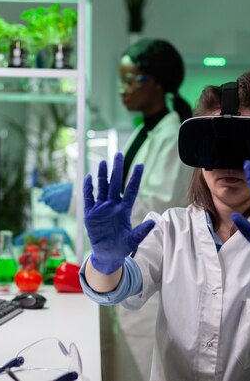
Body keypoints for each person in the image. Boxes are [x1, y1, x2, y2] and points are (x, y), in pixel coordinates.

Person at [79, 72, 250, 381]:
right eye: (215, 145)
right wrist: (104, 262)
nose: (228, 164)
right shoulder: (171, 229)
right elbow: (117, 287)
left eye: (246, 145)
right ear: (197, 152)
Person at [39, 38, 194, 379]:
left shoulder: (173, 135)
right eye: (120, 79)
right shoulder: (144, 131)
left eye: (130, 79)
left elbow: (152, 209)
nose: (122, 89)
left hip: (148, 284)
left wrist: (78, 203)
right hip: (124, 279)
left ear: (155, 82)